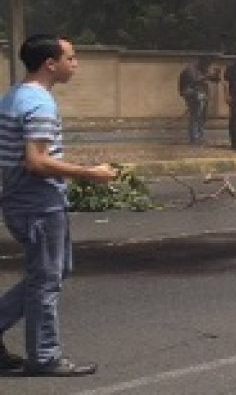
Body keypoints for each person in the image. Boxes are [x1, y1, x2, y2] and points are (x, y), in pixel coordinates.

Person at [0, 34, 117, 376]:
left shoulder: (13, 98)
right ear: (50, 64)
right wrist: (89, 173)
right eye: (71, 57)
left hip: (21, 199)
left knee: (52, 273)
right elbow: (36, 161)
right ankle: (45, 356)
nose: (75, 64)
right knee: (47, 280)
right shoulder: (40, 104)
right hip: (38, 202)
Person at [178, 57, 219, 145]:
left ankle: (200, 136)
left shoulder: (203, 69)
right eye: (207, 64)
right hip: (191, 92)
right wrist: (207, 76)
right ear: (202, 62)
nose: (208, 67)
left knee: (202, 116)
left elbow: (214, 80)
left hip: (201, 93)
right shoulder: (191, 69)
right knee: (196, 115)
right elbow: (195, 80)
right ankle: (194, 137)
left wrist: (215, 76)